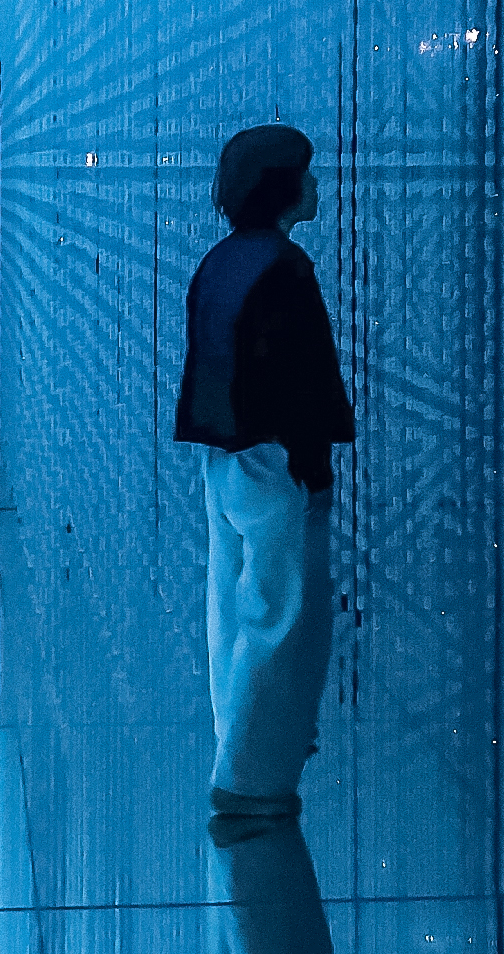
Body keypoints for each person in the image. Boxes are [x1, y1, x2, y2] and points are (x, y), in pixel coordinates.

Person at [173, 124, 356, 826]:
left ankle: (239, 759)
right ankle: (251, 778)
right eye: (306, 173)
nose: (316, 185)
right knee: (280, 616)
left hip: (227, 455)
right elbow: (302, 377)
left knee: (235, 610)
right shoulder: (284, 266)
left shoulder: (224, 260)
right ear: (281, 183)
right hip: (276, 457)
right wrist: (313, 459)